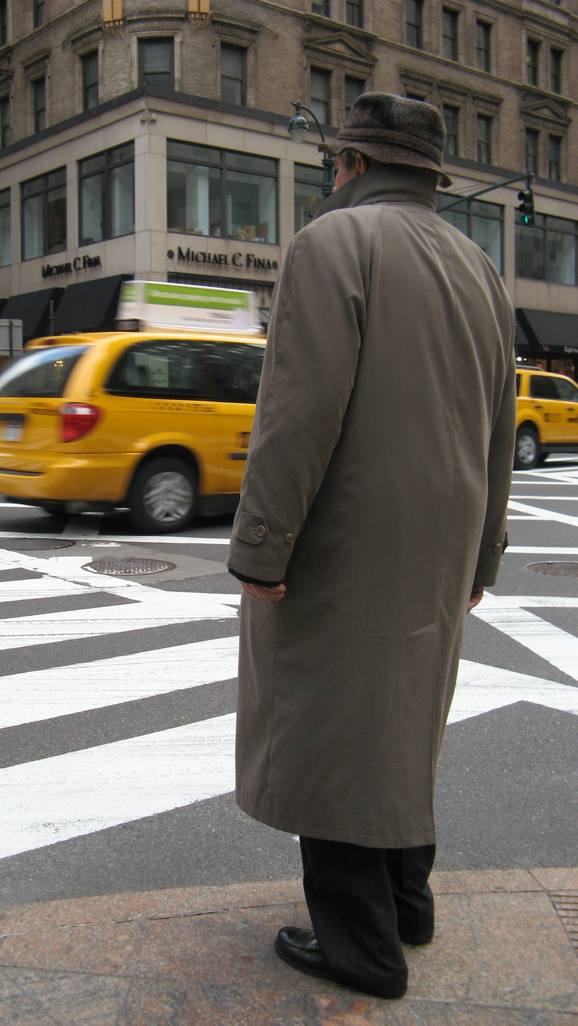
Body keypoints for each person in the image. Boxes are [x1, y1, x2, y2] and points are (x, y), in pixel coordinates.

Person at [227, 93, 515, 1000]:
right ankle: (407, 902)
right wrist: (486, 557)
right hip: (442, 539)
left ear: (350, 162)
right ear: (428, 172)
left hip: (347, 534)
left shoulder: (333, 244)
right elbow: (499, 429)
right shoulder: (479, 266)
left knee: (333, 724)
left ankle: (361, 946)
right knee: (403, 719)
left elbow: (297, 414)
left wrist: (262, 548)